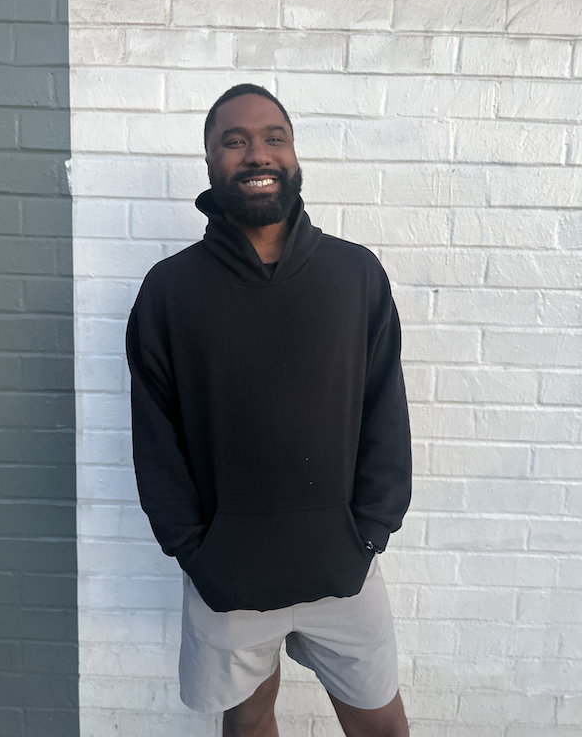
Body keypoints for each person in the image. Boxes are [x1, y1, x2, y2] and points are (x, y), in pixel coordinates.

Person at [126, 84, 412, 737]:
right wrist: (195, 552)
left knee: (383, 726)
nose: (257, 152)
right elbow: (156, 439)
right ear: (210, 162)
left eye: (273, 137)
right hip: (226, 575)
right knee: (249, 721)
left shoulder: (355, 274)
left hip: (344, 565)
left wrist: (369, 532)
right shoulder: (170, 291)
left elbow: (385, 411)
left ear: (293, 154)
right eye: (234, 140)